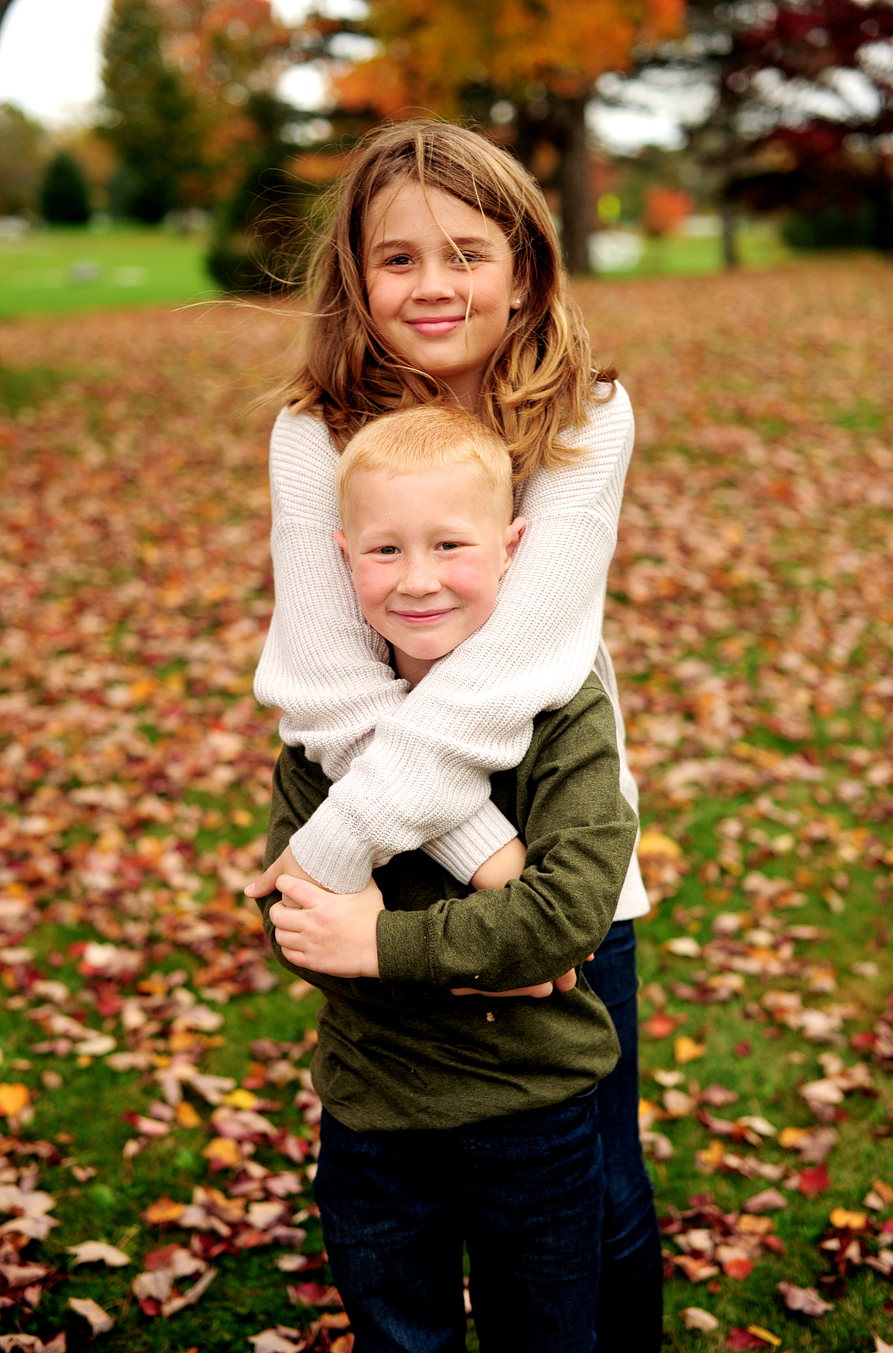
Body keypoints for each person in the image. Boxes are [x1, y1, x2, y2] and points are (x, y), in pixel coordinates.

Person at [244, 120, 663, 1349]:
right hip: (435, 852)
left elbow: (517, 670)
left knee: (601, 1192)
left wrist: (333, 853)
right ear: (357, 280)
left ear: (527, 266)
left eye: (468, 253)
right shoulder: (314, 430)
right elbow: (328, 685)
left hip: (564, 840)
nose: (435, 287)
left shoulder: (586, 414)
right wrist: (483, 867)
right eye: (399, 259)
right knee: (399, 1207)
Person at [258, 402, 639, 1353]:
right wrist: (476, 949)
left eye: (449, 545)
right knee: (400, 1335)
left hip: (534, 1108)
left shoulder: (562, 707)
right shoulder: (328, 714)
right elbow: (295, 914)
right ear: (342, 556)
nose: (418, 580)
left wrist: (378, 945)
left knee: (546, 1335)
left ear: (514, 548)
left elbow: (567, 918)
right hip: (374, 1112)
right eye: (385, 551)